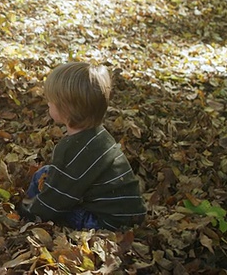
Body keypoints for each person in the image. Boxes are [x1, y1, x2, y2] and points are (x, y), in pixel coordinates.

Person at [19, 62, 146, 230]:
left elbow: (58, 198)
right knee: (44, 174)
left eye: (51, 100)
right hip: (128, 214)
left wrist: (35, 214)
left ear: (67, 110)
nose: (48, 103)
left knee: (51, 195)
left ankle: (28, 211)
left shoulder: (72, 150)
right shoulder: (99, 135)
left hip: (107, 222)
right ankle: (31, 204)